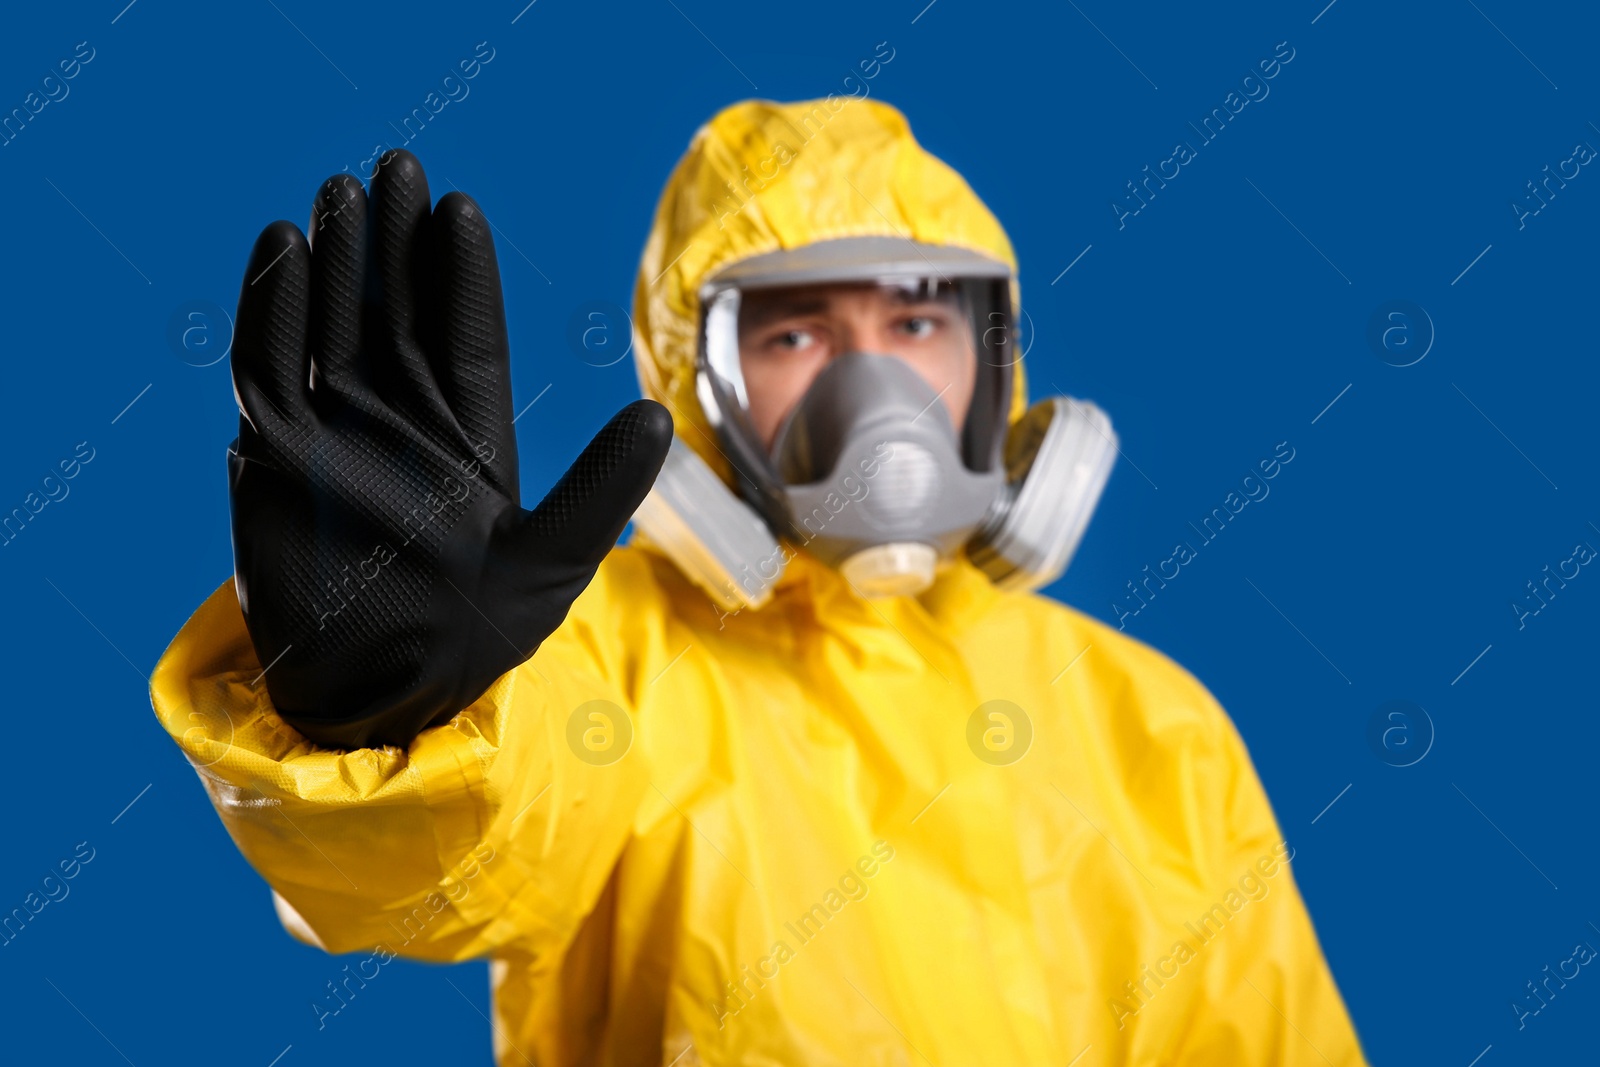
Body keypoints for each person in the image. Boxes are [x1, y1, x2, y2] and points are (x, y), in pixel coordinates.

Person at [151, 98, 1369, 1065]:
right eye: (793, 335)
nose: (873, 389)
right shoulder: (604, 661)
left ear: (994, 359)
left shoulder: (1149, 725)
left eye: (917, 323)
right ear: (696, 382)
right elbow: (444, 871)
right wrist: (399, 708)